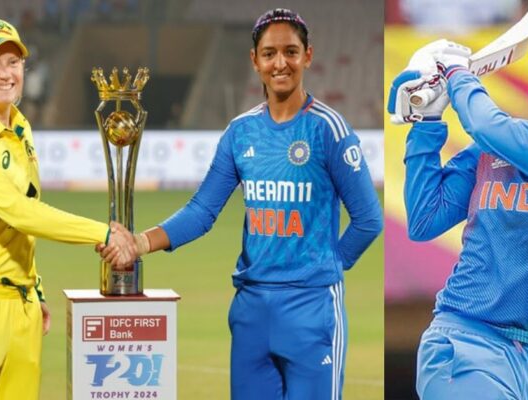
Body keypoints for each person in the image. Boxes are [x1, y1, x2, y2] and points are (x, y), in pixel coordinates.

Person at [100, 8, 383, 400]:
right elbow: (202, 211)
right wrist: (141, 242)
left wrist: (326, 267)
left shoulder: (328, 129)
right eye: (269, 53)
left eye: (290, 51)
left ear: (308, 56)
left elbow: (369, 219)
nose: (280, 63)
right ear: (255, 61)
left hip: (311, 310)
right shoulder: (240, 132)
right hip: (251, 312)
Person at [0, 18, 136, 400]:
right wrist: (103, 233)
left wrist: (34, 287)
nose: (5, 74)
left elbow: (24, 218)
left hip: (23, 307)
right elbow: (19, 212)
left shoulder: (21, 128)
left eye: (13, 62)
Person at [389, 39, 528, 399]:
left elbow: (486, 124)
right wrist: (427, 122)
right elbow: (425, 218)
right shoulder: (497, 151)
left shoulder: (501, 137)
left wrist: (456, 74)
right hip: (467, 343)